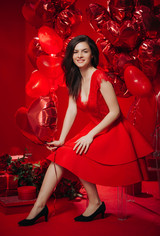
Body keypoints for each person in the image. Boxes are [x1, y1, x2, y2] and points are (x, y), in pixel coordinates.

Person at [18, 35, 153, 226]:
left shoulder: (100, 76)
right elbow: (72, 109)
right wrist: (62, 139)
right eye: (75, 51)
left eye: (84, 51)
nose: (79, 55)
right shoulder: (74, 77)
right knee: (61, 154)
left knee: (75, 153)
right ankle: (40, 207)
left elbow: (115, 112)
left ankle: (95, 203)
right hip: (94, 127)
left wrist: (90, 136)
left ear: (92, 55)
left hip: (111, 128)